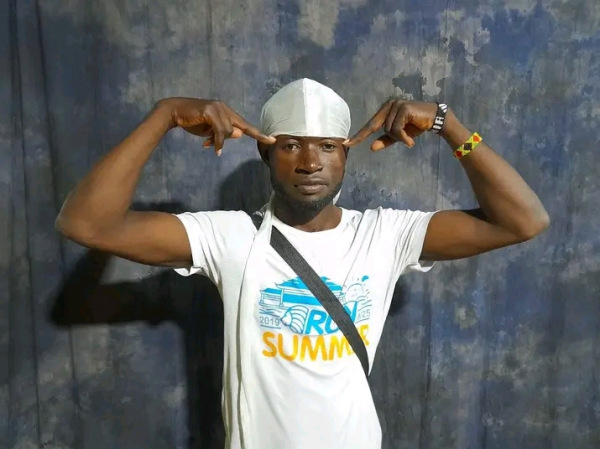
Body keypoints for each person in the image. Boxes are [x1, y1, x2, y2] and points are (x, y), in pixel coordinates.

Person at [55, 78, 549, 449]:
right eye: (291, 145)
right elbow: (86, 224)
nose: (310, 162)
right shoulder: (228, 237)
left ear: (345, 156)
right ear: (266, 155)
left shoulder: (385, 235)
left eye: (328, 147)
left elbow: (523, 221)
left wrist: (447, 124)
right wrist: (162, 116)